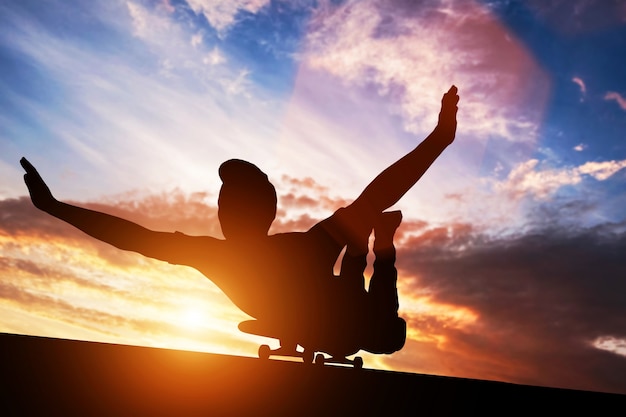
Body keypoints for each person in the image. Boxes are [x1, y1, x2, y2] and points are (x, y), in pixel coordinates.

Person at [21, 86, 459, 356]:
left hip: (360, 323)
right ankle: (376, 243)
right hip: (330, 318)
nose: (224, 215)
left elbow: (377, 193)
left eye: (234, 207)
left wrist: (438, 140)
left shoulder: (281, 249)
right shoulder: (233, 253)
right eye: (224, 205)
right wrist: (55, 207)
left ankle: (380, 244)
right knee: (355, 251)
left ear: (265, 213)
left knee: (366, 286)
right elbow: (132, 237)